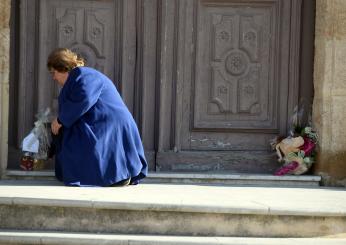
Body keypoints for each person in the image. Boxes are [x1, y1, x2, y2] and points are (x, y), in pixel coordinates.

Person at [47, 48, 148, 187]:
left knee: (87, 143)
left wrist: (60, 120)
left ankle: (119, 177)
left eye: (54, 73)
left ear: (63, 68)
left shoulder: (84, 75)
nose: (53, 78)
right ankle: (116, 176)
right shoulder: (80, 76)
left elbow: (84, 99)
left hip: (111, 123)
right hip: (103, 121)